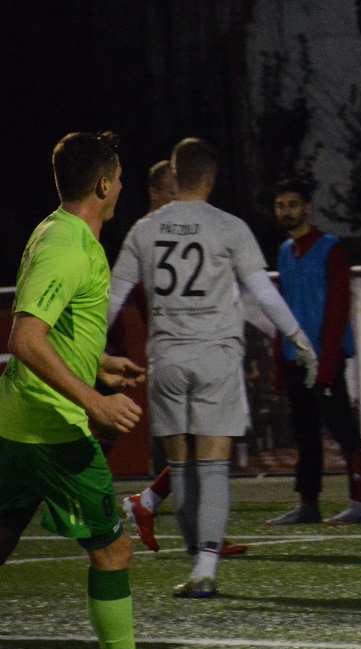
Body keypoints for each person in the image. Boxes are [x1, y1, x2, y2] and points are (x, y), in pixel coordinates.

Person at [0, 131, 209, 649]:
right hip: (55, 432)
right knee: (113, 550)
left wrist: (99, 362)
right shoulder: (70, 247)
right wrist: (92, 400)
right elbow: (25, 340)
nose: (121, 187)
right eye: (117, 179)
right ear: (102, 185)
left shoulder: (56, 230)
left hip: (14, 425)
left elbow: (53, 333)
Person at [108, 137, 318, 598]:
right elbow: (263, 294)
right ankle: (205, 569)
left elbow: (112, 297)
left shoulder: (145, 229)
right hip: (216, 359)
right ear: (212, 178)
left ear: (176, 176)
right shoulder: (230, 227)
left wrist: (86, 352)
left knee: (181, 472)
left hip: (166, 360)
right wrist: (301, 341)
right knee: (214, 469)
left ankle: (194, 562)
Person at [114, 161, 248, 558]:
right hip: (183, 352)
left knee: (202, 443)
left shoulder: (167, 236)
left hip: (194, 349)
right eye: (174, 192)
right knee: (203, 444)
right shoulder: (148, 240)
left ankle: (158, 509)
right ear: (156, 194)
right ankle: (189, 534)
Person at [263, 178, 361, 526]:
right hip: (295, 358)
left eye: (293, 205)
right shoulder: (285, 251)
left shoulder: (331, 248)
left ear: (308, 209)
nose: (286, 212)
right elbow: (280, 307)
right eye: (280, 206)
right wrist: (279, 360)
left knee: (343, 427)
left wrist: (328, 363)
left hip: (323, 359)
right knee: (305, 435)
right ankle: (308, 504)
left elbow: (338, 307)